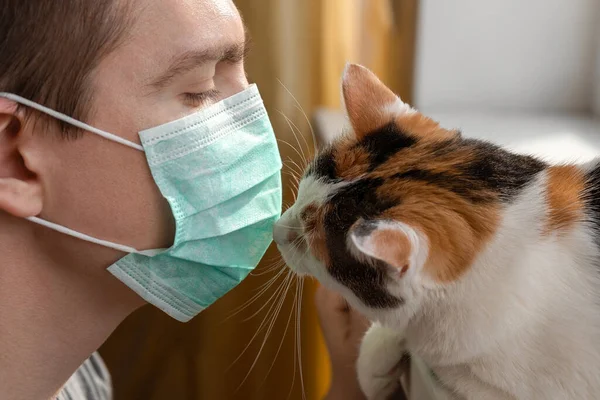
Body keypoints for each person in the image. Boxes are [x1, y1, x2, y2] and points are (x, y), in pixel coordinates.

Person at [0, 1, 376, 399]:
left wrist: (355, 385)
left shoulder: (76, 378)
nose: (255, 131)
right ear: (17, 160)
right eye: (200, 91)